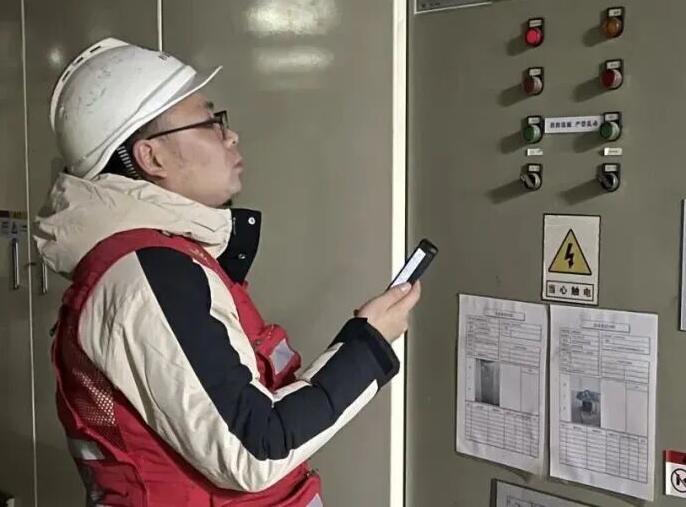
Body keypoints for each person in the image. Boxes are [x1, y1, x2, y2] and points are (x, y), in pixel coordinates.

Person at [33, 37, 421, 507]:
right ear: (152, 157)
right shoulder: (147, 276)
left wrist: (362, 340)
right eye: (210, 123)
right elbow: (256, 448)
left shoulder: (165, 258)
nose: (231, 136)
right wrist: (369, 345)